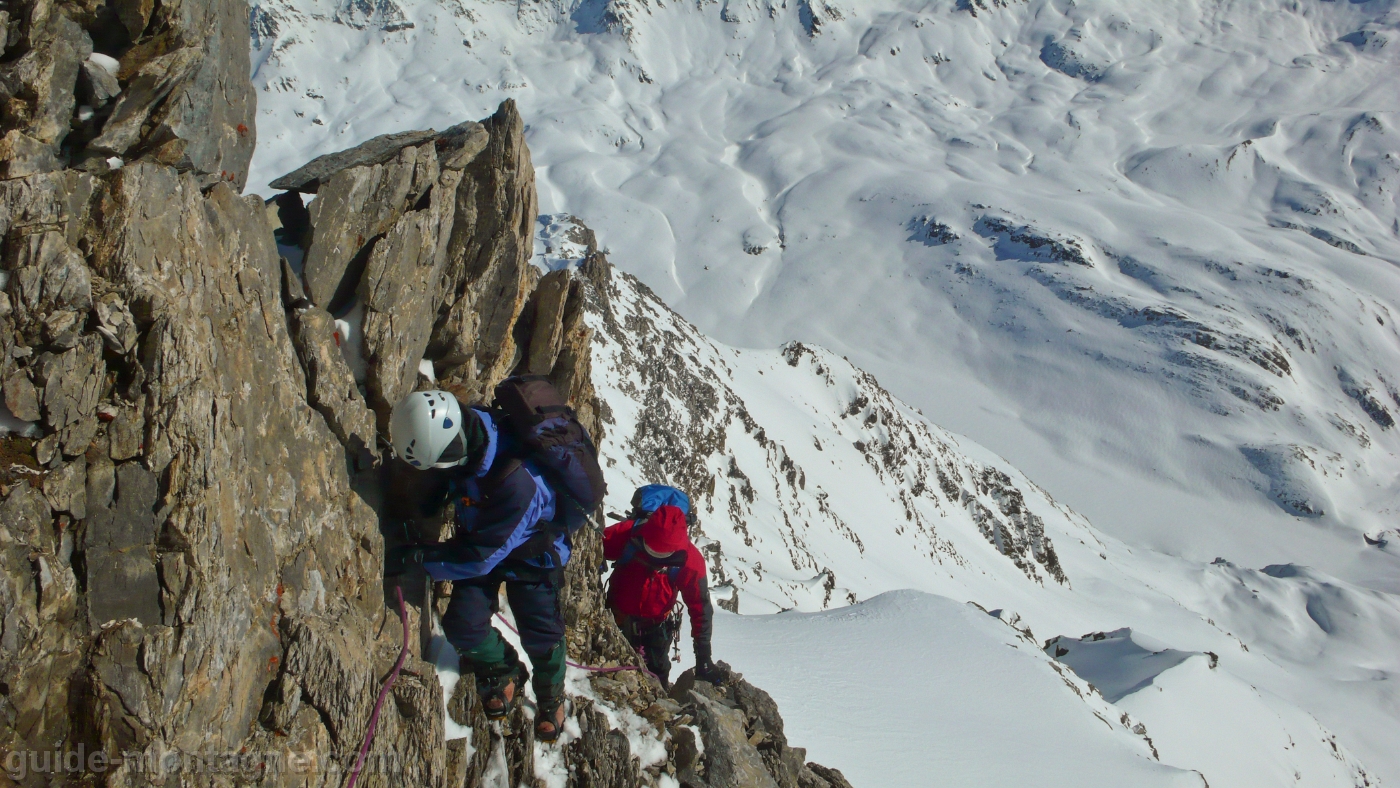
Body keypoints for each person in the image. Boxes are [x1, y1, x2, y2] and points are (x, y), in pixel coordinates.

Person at [386, 384, 600, 742]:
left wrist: (421, 558)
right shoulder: (469, 427)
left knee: (542, 635)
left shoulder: (515, 484)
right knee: (462, 626)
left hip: (531, 554)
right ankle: (503, 670)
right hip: (483, 536)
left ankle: (551, 699)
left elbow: (479, 559)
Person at [603, 485, 722, 687]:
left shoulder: (690, 561)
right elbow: (591, 546)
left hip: (652, 626)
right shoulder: (629, 534)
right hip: (618, 619)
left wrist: (703, 657)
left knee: (657, 674)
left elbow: (700, 608)